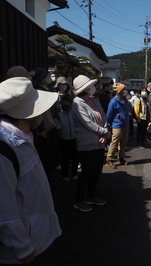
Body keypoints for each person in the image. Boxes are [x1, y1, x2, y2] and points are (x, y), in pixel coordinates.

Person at [0, 77, 61, 264]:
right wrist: (23, 248)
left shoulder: (23, 135)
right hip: (20, 249)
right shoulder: (4, 149)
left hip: (35, 235)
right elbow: (4, 207)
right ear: (29, 113)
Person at [71, 75, 111, 212]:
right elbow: (88, 124)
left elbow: (103, 117)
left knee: (96, 172)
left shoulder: (95, 100)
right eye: (91, 85)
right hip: (87, 144)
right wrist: (105, 133)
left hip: (99, 142)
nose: (94, 87)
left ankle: (91, 196)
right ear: (86, 88)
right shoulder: (77, 103)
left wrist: (104, 133)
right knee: (87, 172)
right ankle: (79, 200)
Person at [31, 67, 60, 181]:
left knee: (52, 153)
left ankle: (50, 175)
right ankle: (46, 178)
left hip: (52, 125)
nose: (50, 78)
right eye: (48, 76)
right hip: (44, 128)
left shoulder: (49, 90)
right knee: (45, 154)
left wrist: (57, 117)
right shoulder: (37, 92)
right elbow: (37, 112)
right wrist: (41, 128)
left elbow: (55, 109)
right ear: (42, 79)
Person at [105, 83, 130, 168]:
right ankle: (109, 159)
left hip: (125, 125)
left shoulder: (125, 100)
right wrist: (109, 124)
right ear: (119, 91)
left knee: (123, 143)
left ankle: (121, 158)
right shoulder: (114, 101)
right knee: (114, 143)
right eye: (123, 89)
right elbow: (109, 114)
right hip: (117, 125)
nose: (125, 91)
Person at [57, 95, 79, 181]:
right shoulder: (59, 115)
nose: (65, 104)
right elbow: (58, 126)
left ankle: (74, 173)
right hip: (63, 139)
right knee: (64, 159)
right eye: (63, 102)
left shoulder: (74, 113)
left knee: (75, 158)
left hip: (74, 138)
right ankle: (64, 175)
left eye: (67, 102)